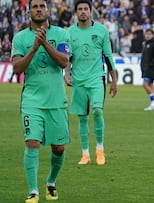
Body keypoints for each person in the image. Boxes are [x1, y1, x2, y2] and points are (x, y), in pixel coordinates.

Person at [11, 0, 71, 202]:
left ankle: (51, 183)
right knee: (32, 142)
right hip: (31, 100)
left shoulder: (62, 34)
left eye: (41, 6)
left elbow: (64, 62)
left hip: (56, 100)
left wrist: (44, 43)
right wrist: (34, 47)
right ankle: (33, 191)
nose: (38, 9)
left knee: (59, 148)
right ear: (29, 12)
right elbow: (17, 68)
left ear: (48, 10)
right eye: (34, 6)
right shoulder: (20, 38)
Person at [65, 0, 118, 166]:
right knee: (82, 117)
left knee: (97, 111)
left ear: (90, 11)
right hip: (78, 80)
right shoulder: (69, 33)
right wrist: (67, 74)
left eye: (85, 9)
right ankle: (85, 154)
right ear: (76, 12)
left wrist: (114, 80)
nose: (83, 12)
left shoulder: (101, 30)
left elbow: (108, 56)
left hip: (96, 78)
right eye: (79, 9)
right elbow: (67, 58)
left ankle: (100, 149)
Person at [140, 28, 154, 111]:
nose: (147, 35)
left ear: (152, 35)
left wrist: (151, 66)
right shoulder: (146, 44)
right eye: (146, 34)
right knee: (150, 85)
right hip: (146, 68)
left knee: (145, 84)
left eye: (149, 34)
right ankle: (153, 104)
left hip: (150, 69)